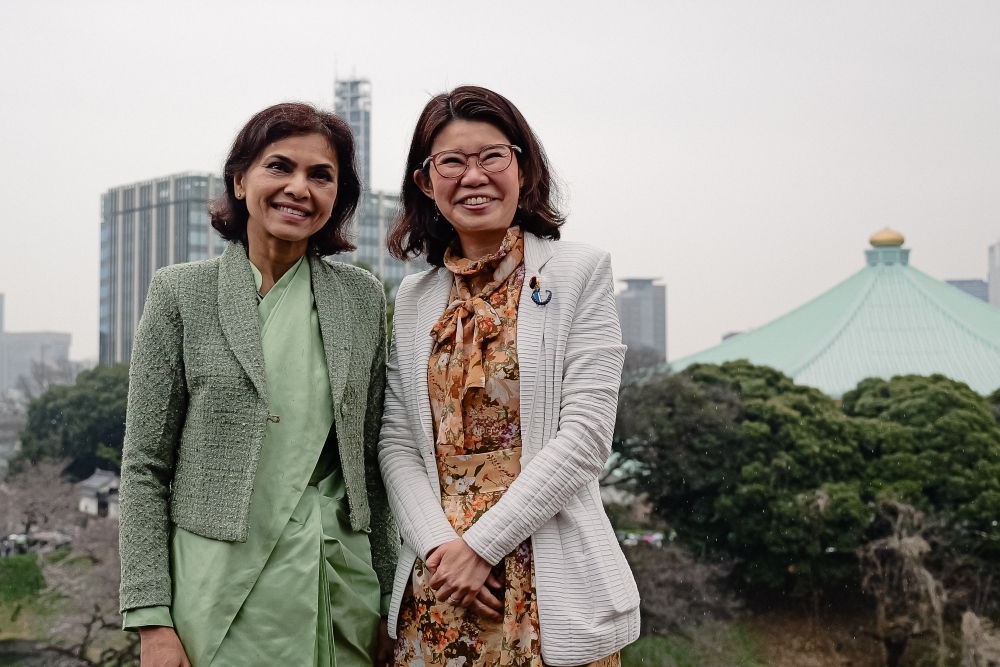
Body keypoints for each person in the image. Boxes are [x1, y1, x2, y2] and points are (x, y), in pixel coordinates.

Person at [118, 102, 398, 667]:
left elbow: (372, 465)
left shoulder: (361, 300)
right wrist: (152, 619)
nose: (299, 187)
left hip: (338, 583)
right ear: (241, 179)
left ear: (337, 201)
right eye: (280, 167)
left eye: (321, 176)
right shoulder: (181, 293)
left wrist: (392, 601)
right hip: (216, 588)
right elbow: (145, 466)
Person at [379, 86, 639, 667]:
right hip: (440, 584)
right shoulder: (415, 298)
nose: (474, 176)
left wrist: (482, 547)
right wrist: (443, 551)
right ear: (426, 182)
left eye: (491, 156)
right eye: (452, 161)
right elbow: (396, 442)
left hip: (550, 579)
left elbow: (586, 439)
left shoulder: (579, 272)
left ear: (522, 166)